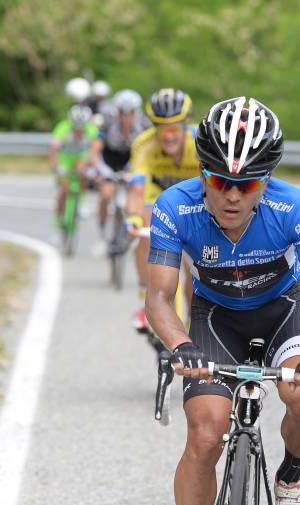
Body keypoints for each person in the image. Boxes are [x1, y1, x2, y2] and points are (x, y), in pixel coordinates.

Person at [145, 96, 300, 505]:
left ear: (267, 179)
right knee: (205, 432)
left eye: (247, 184)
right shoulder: (175, 208)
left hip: (282, 311)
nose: (232, 196)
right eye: (219, 181)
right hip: (215, 319)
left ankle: (292, 476)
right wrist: (180, 346)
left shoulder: (294, 208)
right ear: (201, 173)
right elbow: (158, 297)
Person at [126, 88, 200, 332]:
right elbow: (137, 191)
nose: (168, 136)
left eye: (174, 128)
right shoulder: (144, 144)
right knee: (145, 232)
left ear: (185, 125)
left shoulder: (200, 142)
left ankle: (194, 316)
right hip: (156, 197)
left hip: (192, 199)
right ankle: (143, 299)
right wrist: (133, 218)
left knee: (197, 262)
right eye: (162, 128)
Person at [87, 89, 149, 253]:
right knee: (106, 194)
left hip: (132, 160)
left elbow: (147, 154)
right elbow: (94, 151)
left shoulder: (144, 125)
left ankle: (129, 230)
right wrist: (100, 169)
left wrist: (138, 172)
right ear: (117, 112)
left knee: (136, 194)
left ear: (137, 112)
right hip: (110, 159)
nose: (127, 117)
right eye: (123, 112)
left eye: (131, 113)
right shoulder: (107, 123)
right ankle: (102, 234)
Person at [48, 105, 98, 227]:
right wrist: (56, 167)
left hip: (80, 157)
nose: (79, 131)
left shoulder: (92, 130)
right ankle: (58, 223)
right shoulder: (62, 128)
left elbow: (94, 151)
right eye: (76, 128)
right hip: (64, 158)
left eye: (81, 128)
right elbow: (53, 150)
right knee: (64, 189)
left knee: (83, 172)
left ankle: (81, 202)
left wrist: (92, 167)